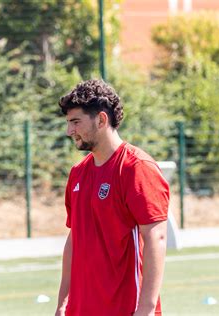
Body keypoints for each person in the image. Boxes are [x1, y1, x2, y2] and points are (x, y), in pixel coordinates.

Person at [55, 79, 169, 316]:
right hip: (82, 309)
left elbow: (156, 237)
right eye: (68, 123)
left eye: (75, 122)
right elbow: (74, 238)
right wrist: (63, 302)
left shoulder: (136, 168)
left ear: (101, 119)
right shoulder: (78, 174)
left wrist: (146, 309)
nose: (69, 131)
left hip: (125, 308)